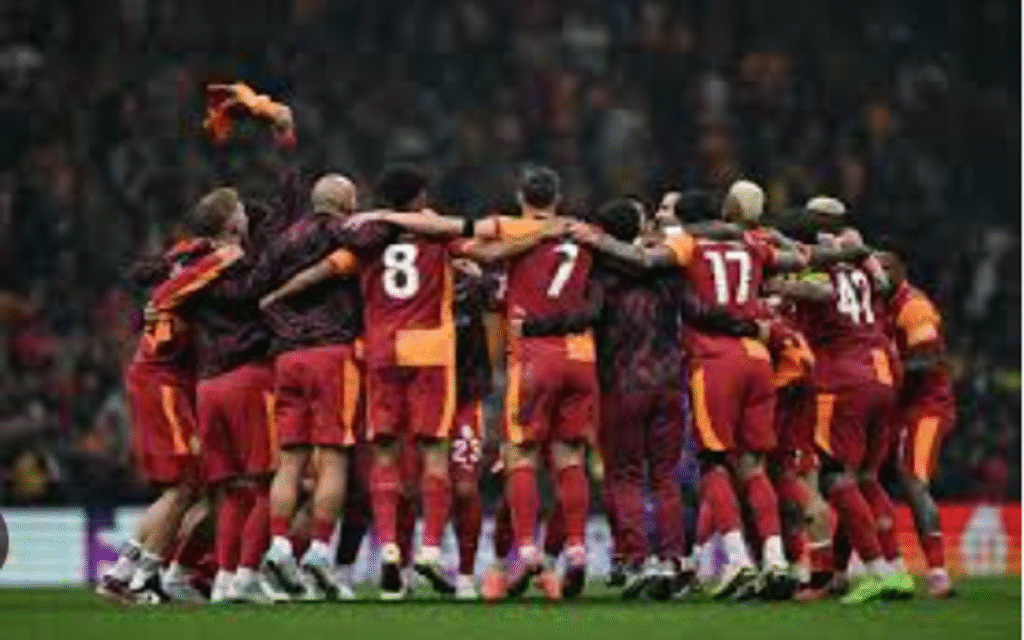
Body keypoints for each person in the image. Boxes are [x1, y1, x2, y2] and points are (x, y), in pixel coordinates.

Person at [149, 82, 301, 604]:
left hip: (208, 386)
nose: (247, 213)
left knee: (228, 491)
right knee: (265, 484)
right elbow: (289, 219)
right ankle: (242, 577)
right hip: (249, 379)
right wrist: (285, 143)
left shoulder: (192, 264)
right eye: (240, 209)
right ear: (231, 223)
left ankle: (222, 583)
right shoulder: (241, 268)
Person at [763, 196, 912, 604]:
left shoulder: (816, 269)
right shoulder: (863, 268)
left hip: (842, 381)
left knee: (835, 478)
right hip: (881, 373)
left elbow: (818, 288)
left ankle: (877, 571)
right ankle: (895, 570)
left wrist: (776, 284)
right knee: (865, 478)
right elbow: (882, 284)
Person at [249, 173, 363, 600]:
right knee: (333, 457)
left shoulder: (283, 240)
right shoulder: (347, 232)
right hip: (332, 352)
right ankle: (318, 550)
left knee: (291, 460)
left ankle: (279, 544)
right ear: (347, 202)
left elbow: (255, 287)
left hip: (287, 357)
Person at [97, 238, 216, 603]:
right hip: (162, 387)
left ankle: (121, 573)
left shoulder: (172, 286)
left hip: (157, 384)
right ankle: (143, 578)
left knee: (182, 489)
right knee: (182, 488)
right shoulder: (181, 289)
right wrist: (227, 254)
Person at [877, 251, 957, 598]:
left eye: (885, 269)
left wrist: (883, 369)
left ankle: (938, 572)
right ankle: (842, 569)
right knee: (863, 479)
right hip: (895, 406)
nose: (878, 275)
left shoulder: (914, 306)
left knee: (913, 480)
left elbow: (927, 360)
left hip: (927, 407)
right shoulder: (880, 304)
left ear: (900, 271)